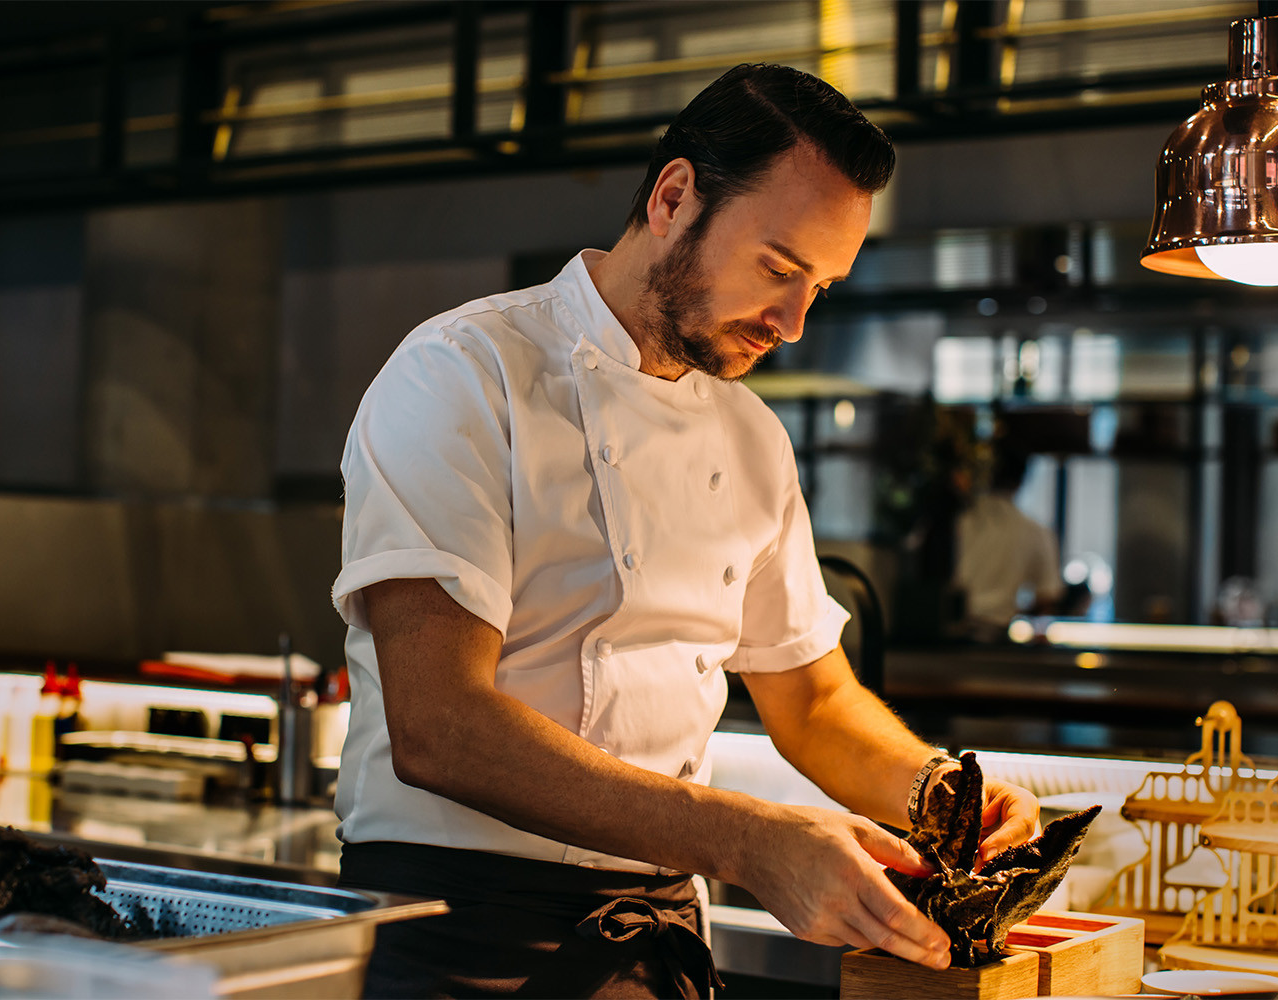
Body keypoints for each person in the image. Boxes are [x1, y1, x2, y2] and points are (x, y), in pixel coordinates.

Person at [331, 63, 1039, 999]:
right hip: (462, 937)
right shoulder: (462, 375)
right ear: (673, 198)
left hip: (657, 941)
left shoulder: (750, 437)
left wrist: (941, 795)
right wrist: (746, 840)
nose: (791, 324)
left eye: (818, 290)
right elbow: (440, 726)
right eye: (778, 268)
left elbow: (815, 705)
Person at [952, 447, 1070, 641]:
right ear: (1022, 480)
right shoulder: (1035, 531)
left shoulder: (960, 520)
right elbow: (1047, 597)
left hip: (949, 633)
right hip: (995, 634)